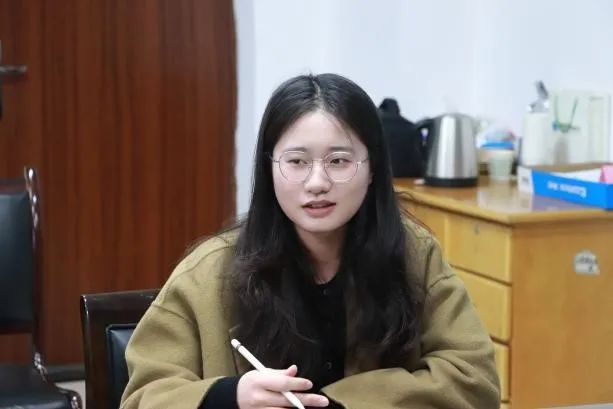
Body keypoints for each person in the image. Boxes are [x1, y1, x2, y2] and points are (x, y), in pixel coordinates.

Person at [120, 73, 500, 409]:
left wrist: (344, 404)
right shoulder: (208, 273)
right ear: (269, 169)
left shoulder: (413, 254)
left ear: (372, 169)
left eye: (338, 161)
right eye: (297, 162)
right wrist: (230, 397)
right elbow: (143, 397)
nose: (317, 183)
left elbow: (474, 380)